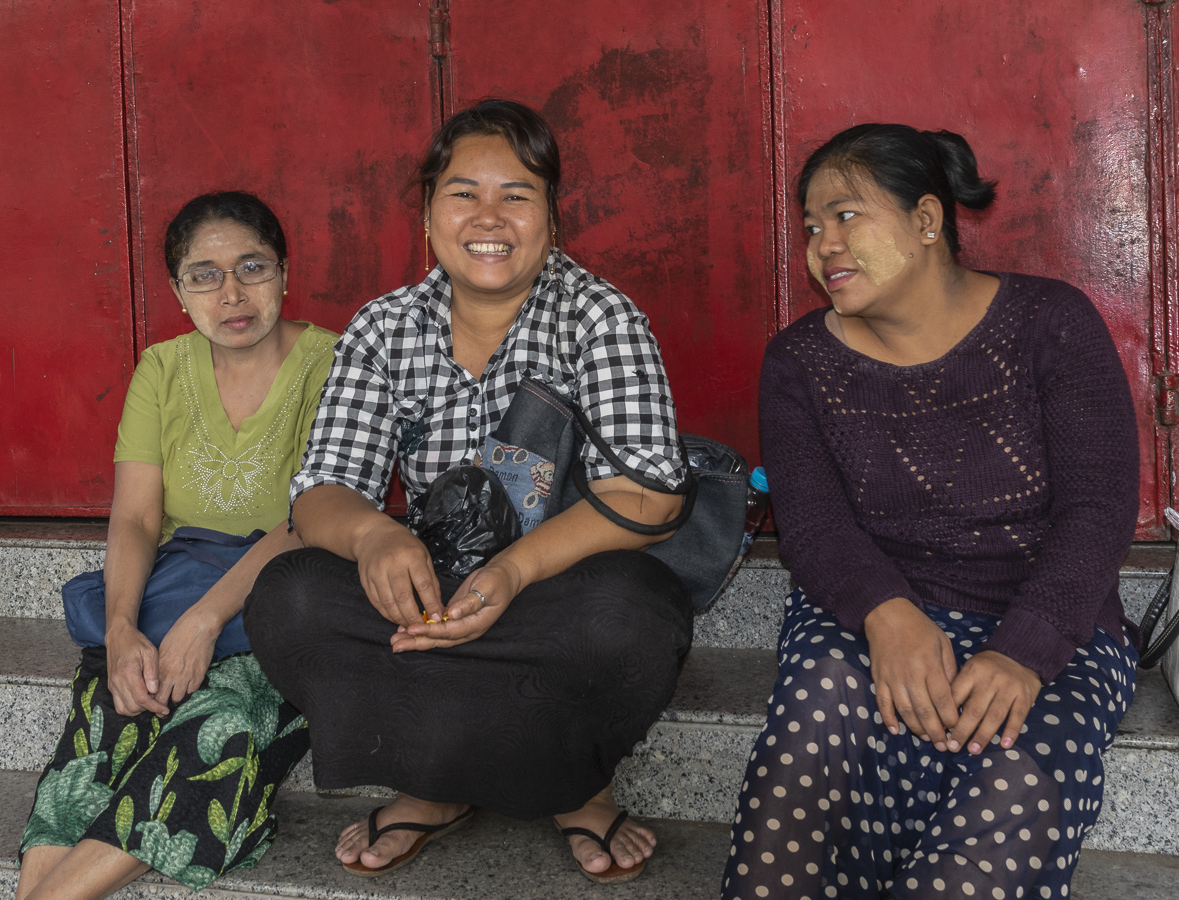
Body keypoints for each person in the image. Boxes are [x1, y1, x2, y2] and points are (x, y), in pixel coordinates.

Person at [243, 99, 693, 883]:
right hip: (427, 590)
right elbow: (321, 490)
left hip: (552, 589)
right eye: (463, 194)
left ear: (550, 216)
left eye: (516, 194)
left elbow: (651, 496)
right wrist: (375, 537)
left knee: (632, 611)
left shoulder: (598, 317)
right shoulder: (384, 327)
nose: (488, 217)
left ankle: (575, 787)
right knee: (291, 596)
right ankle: (434, 783)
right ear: (427, 215)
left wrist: (512, 571)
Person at [722, 124, 1140, 900]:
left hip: (1046, 614)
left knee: (1018, 779)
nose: (822, 245)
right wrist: (887, 618)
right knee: (810, 733)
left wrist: (1024, 651)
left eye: (846, 215)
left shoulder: (1049, 322)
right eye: (811, 227)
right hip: (866, 610)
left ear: (924, 220)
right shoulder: (799, 362)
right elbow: (813, 527)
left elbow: (1097, 507)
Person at [17, 191, 336, 899]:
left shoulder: (335, 362)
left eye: (252, 267)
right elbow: (134, 518)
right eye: (204, 275)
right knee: (100, 730)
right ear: (178, 291)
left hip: (284, 604)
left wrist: (206, 620)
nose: (232, 293)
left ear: (284, 273)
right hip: (171, 593)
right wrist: (122, 630)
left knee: (218, 731)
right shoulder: (161, 369)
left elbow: (312, 516)